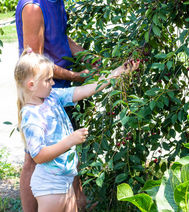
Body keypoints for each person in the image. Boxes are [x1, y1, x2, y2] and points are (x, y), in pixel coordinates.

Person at [15, 0, 96, 212]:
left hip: (58, 87)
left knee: (65, 148)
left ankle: (75, 203)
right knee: (34, 158)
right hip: (42, 88)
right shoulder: (34, 7)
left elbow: (62, 40)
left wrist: (90, 58)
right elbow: (38, 63)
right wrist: (75, 77)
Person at [14, 49, 140, 212]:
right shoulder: (31, 116)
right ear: (31, 85)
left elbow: (85, 90)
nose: (53, 83)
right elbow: (38, 156)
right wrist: (70, 140)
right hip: (50, 185)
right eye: (48, 80)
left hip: (64, 179)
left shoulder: (52, 97)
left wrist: (119, 72)